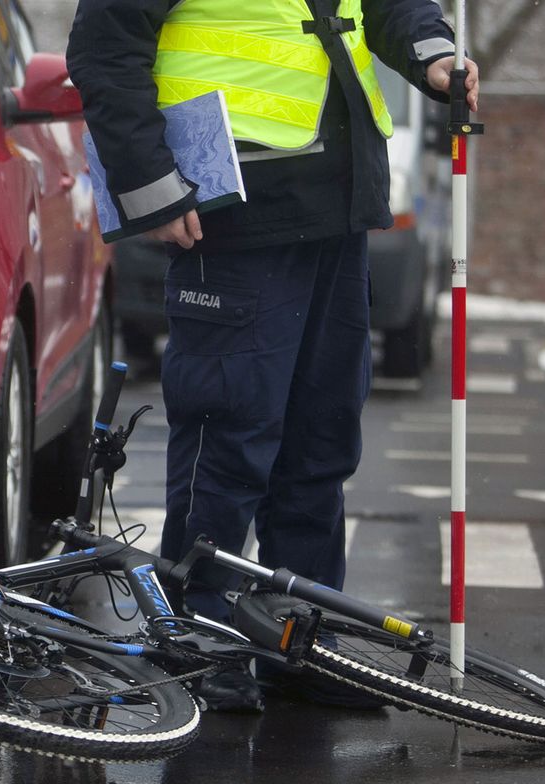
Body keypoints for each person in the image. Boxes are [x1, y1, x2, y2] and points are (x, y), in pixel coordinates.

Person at [67, 0, 478, 711]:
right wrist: (151, 188)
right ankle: (202, 632)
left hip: (337, 200)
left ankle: (302, 641)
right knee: (230, 427)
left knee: (321, 434)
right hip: (231, 204)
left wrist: (433, 54)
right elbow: (105, 47)